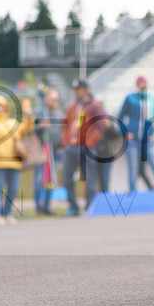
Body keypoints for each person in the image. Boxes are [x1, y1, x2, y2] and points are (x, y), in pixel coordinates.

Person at [119, 76, 154, 208]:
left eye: (144, 83)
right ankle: (132, 198)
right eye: (140, 84)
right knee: (133, 170)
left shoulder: (153, 98)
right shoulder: (130, 98)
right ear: (136, 85)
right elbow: (120, 117)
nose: (142, 86)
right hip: (133, 140)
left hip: (148, 140)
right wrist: (125, 132)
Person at [0, 95, 33, 224]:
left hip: (14, 161)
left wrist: (29, 116)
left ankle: (7, 213)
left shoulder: (12, 122)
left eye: (3, 106)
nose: (1, 109)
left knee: (13, 189)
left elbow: (26, 129)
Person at [61, 79, 108, 216]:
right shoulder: (71, 106)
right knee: (66, 178)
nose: (76, 92)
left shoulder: (94, 106)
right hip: (71, 147)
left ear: (86, 90)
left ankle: (89, 206)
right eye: (75, 90)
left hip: (86, 148)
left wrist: (90, 143)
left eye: (79, 89)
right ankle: (73, 206)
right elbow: (66, 125)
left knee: (90, 178)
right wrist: (65, 141)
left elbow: (100, 127)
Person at [33, 88, 63, 215]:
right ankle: (38, 205)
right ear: (46, 100)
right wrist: (40, 126)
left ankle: (46, 205)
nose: (55, 101)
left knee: (51, 179)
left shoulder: (59, 114)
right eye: (52, 99)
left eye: (57, 99)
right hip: (41, 151)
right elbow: (29, 129)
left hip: (54, 151)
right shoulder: (39, 113)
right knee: (40, 178)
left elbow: (62, 131)